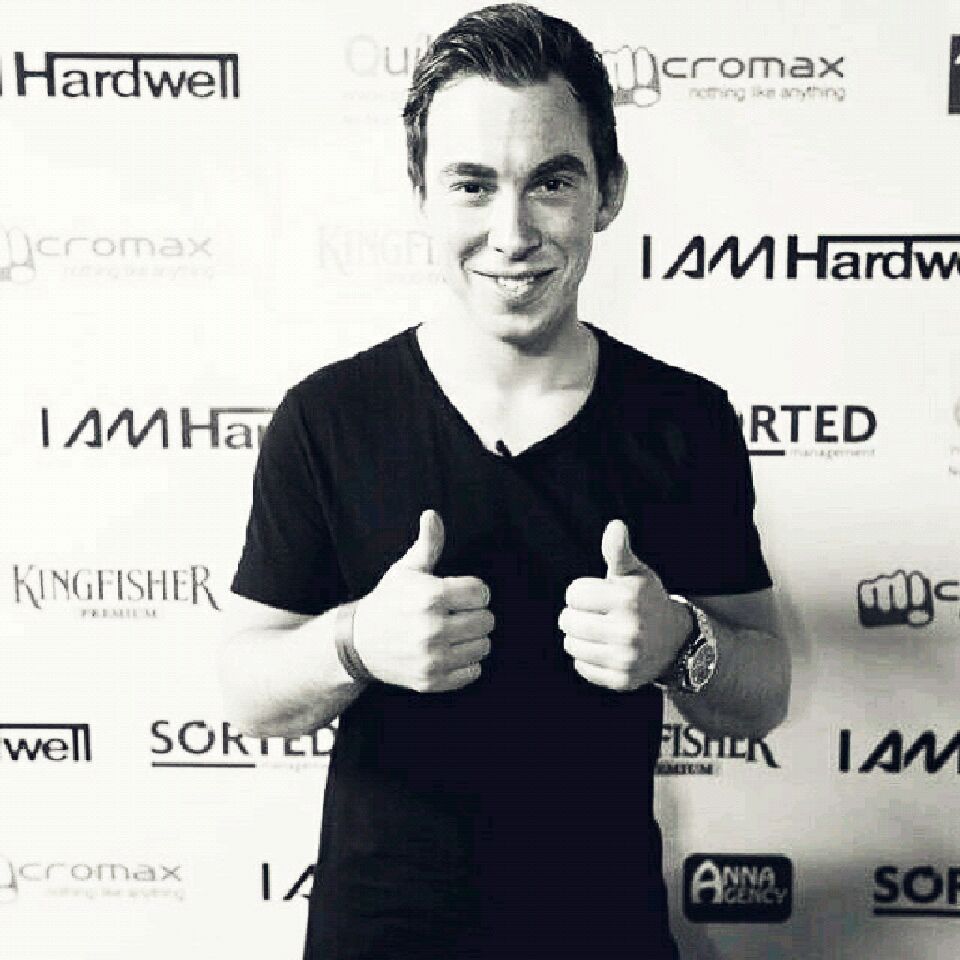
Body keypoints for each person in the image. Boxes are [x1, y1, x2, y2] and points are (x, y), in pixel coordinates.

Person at [220, 4, 791, 958]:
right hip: (381, 936)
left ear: (608, 191)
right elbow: (247, 690)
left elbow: (764, 690)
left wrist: (680, 640)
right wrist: (357, 641)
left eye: (551, 182)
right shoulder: (327, 417)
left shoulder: (684, 420)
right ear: (422, 194)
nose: (512, 232)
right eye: (472, 185)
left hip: (601, 931)